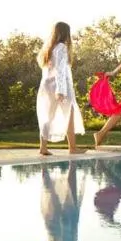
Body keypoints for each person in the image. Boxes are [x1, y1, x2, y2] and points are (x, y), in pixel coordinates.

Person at [36, 22, 87, 156]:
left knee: (48, 116)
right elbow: (60, 70)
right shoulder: (62, 47)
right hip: (60, 85)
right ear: (66, 33)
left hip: (47, 85)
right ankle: (73, 148)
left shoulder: (48, 49)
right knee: (69, 113)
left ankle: (43, 147)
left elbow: (48, 71)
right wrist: (61, 90)